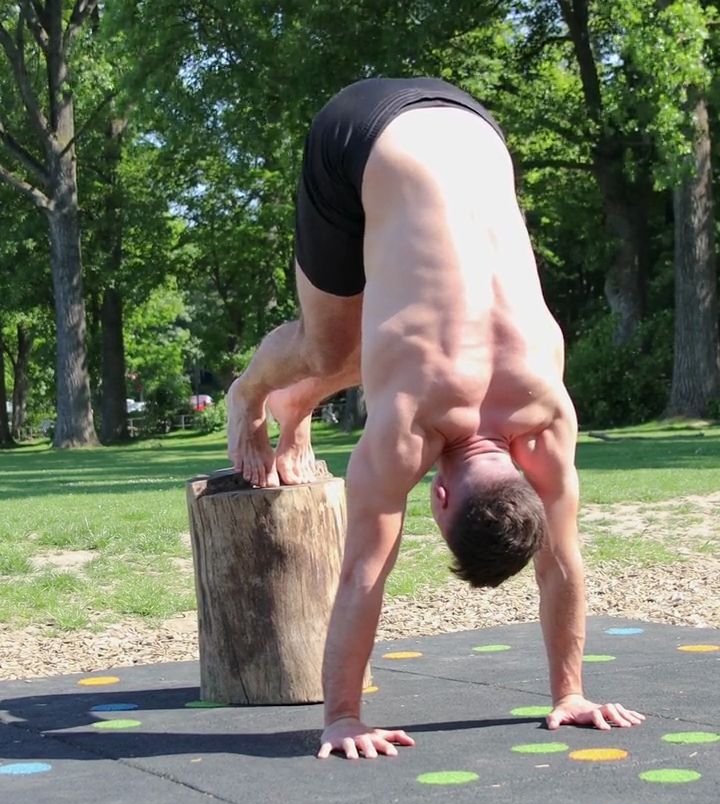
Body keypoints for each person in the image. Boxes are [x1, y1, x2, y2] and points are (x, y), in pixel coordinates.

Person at [226, 77, 645, 760]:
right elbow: (365, 570)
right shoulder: (409, 424)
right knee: (328, 345)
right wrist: (340, 718)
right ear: (441, 496)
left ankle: (299, 403)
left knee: (379, 343)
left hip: (471, 122)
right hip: (357, 134)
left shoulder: (544, 411)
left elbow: (561, 560)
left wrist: (570, 694)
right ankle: (251, 395)